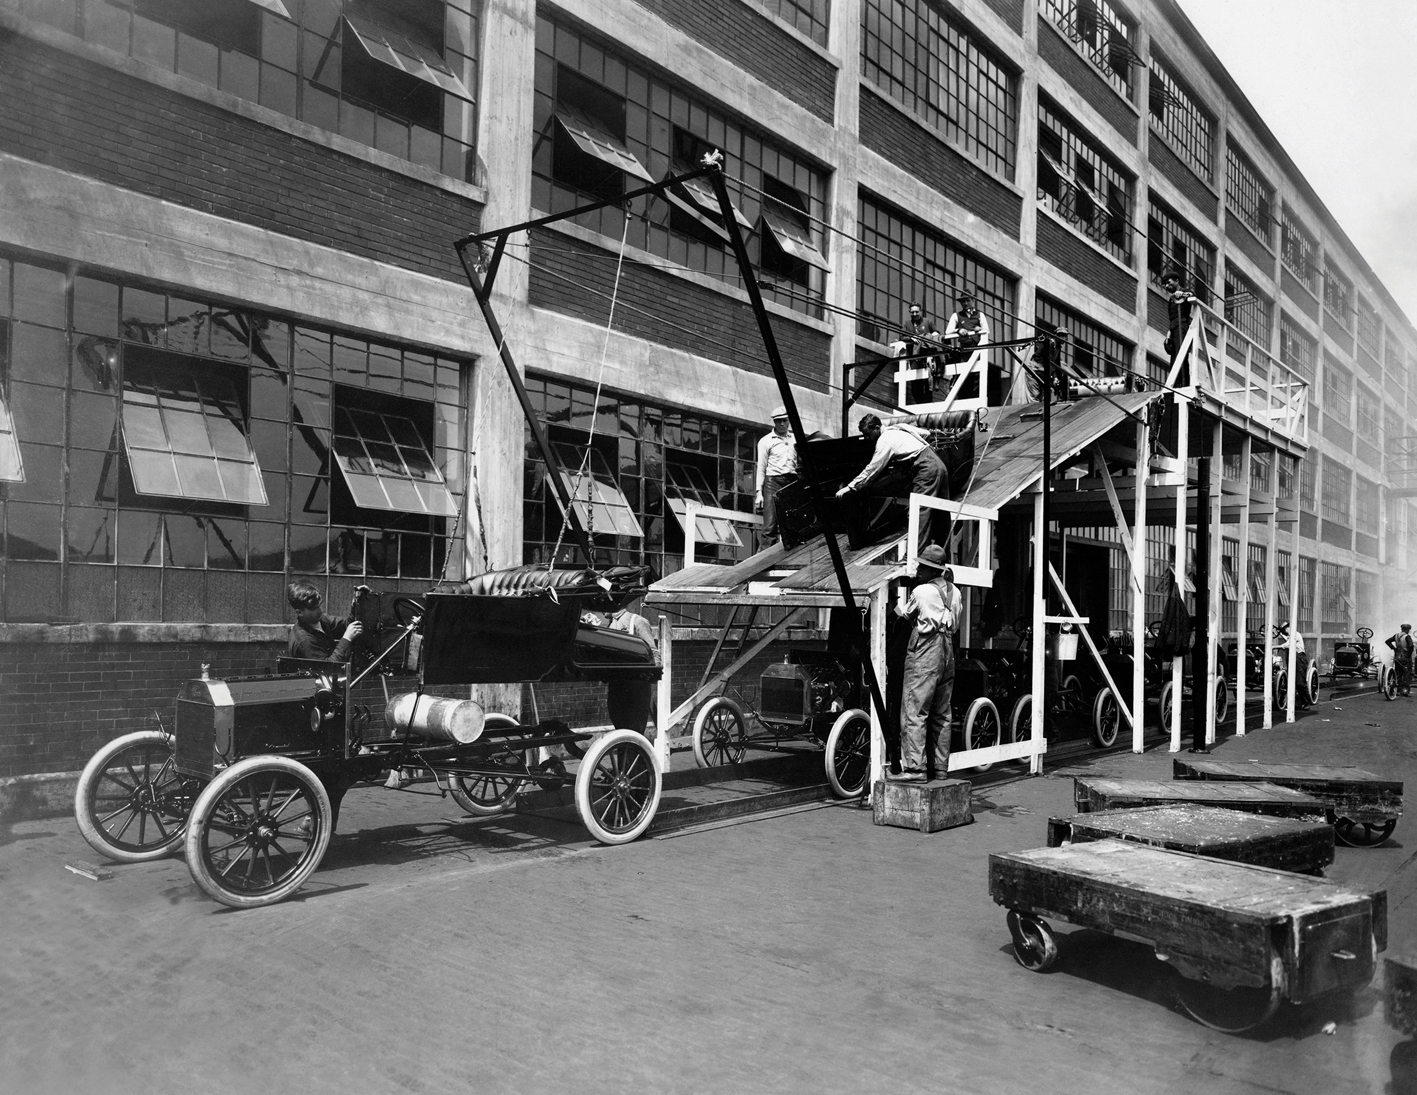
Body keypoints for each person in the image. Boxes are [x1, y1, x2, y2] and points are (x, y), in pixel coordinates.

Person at [892, 547, 962, 782]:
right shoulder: (956, 592)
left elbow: (905, 615)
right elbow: (957, 623)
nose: (918, 570)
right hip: (948, 651)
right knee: (942, 712)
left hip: (925, 650)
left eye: (922, 566)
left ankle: (914, 769)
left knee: (914, 711)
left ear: (932, 569)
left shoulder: (921, 591)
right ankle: (940, 768)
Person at [834, 413, 948, 551]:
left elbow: (872, 470)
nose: (867, 438)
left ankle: (914, 556)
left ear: (877, 428)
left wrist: (850, 487)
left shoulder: (884, 441)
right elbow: (925, 434)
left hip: (926, 469)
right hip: (938, 463)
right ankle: (940, 553)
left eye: (868, 434)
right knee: (940, 511)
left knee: (918, 513)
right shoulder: (898, 428)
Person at [606, 593, 661, 735]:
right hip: (617, 686)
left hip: (636, 686)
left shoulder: (637, 621)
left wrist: (654, 675)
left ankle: (638, 756)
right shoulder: (610, 625)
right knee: (620, 730)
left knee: (634, 730)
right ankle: (625, 757)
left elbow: (653, 652)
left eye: (604, 603)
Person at [286, 582, 369, 664]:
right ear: (299, 612)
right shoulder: (304, 640)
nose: (320, 611)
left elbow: (348, 625)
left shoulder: (321, 620)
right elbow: (327, 667)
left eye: (319, 605)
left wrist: (357, 602)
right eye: (314, 608)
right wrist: (347, 639)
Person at [754, 407, 797, 545]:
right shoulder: (766, 441)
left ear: (788, 421)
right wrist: (759, 492)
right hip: (773, 482)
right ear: (774, 422)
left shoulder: (795, 439)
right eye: (778, 421)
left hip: (792, 481)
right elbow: (761, 467)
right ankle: (764, 562)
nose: (782, 424)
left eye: (784, 421)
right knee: (770, 525)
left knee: (793, 522)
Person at [891, 302, 942, 404]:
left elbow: (936, 332)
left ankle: (927, 402)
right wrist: (911, 337)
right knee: (915, 380)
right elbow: (902, 336)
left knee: (928, 379)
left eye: (917, 312)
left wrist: (928, 336)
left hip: (927, 355)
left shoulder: (927, 321)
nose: (915, 314)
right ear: (909, 312)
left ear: (921, 311)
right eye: (912, 312)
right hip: (915, 356)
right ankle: (919, 402)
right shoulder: (907, 324)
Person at [1162, 271, 1195, 386]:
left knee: (1181, 354)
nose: (1167, 286)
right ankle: (1176, 383)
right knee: (1174, 356)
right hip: (1174, 328)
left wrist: (1182, 294)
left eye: (1168, 282)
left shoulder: (1184, 291)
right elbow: (1171, 318)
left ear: (1176, 281)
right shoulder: (1171, 300)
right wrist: (1168, 336)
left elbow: (1192, 295)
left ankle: (1183, 384)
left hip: (1182, 326)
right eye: (1165, 284)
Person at [943, 290, 990, 368]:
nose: (965, 303)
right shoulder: (956, 315)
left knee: (978, 372)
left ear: (973, 300)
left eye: (968, 301)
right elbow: (948, 332)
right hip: (964, 349)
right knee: (964, 370)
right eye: (963, 301)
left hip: (977, 347)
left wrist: (980, 330)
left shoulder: (980, 314)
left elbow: (987, 331)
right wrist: (958, 330)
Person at [1386, 623, 1414, 697]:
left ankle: (1396, 690)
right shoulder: (1407, 636)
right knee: (1407, 673)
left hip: (1397, 656)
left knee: (1398, 673)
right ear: (1407, 630)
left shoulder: (1396, 635)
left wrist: (1394, 648)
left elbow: (1387, 641)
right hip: (1405, 656)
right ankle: (1405, 692)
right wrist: (1409, 654)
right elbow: (1411, 645)